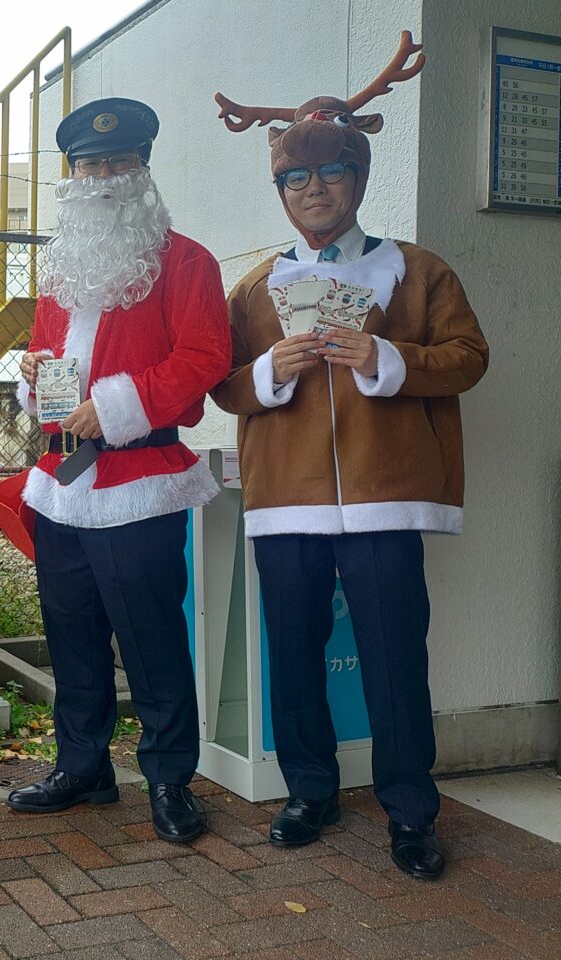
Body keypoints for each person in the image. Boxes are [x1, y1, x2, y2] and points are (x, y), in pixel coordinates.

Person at [211, 31, 488, 880]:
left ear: (358, 179)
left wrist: (387, 358)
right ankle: (310, 792)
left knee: (396, 657)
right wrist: (270, 369)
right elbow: (224, 386)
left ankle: (411, 811)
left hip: (386, 495)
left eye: (331, 171)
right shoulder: (254, 289)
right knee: (292, 653)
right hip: (286, 497)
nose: (313, 189)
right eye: (295, 178)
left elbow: (469, 358)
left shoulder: (419, 271)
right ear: (281, 191)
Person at [0, 98, 230, 842]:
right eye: (88, 166)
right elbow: (48, 360)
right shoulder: (63, 272)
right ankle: (83, 766)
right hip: (65, 483)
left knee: (152, 640)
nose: (100, 178)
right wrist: (34, 375)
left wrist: (117, 404)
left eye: (116, 163)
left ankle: (169, 778)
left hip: (140, 479)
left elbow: (204, 358)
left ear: (142, 170)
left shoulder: (185, 261)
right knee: (72, 636)